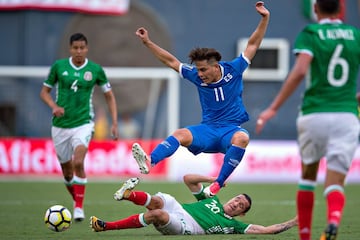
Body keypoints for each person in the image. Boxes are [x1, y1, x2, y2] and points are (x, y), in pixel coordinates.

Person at [131, 1, 270, 197]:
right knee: (180, 134)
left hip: (229, 131)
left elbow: (253, 43)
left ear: (215, 66)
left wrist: (265, 18)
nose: (200, 74)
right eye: (197, 69)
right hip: (207, 130)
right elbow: (171, 61)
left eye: (203, 69)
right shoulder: (196, 75)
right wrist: (147, 42)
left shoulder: (234, 69)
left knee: (243, 137)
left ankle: (217, 184)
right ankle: (150, 160)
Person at [255, 1, 360, 239]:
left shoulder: (311, 33)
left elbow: (301, 71)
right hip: (346, 114)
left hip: (315, 113)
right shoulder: (355, 35)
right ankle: (333, 221)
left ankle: (305, 235)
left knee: (308, 178)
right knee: (335, 182)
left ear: (315, 10)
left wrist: (273, 108)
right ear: (341, 10)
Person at [40, 33, 119, 221]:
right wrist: (54, 107)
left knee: (78, 162)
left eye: (82, 48)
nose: (79, 51)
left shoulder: (95, 70)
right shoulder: (59, 67)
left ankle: (78, 208)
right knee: (67, 173)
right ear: (70, 49)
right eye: (75, 48)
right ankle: (77, 200)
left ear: (87, 48)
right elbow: (44, 92)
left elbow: (109, 95)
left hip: (84, 123)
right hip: (60, 126)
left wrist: (114, 122)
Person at [90, 174, 298, 235]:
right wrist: (215, 180)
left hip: (185, 226)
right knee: (161, 200)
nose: (237, 204)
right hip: (179, 209)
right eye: (237, 199)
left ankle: (105, 226)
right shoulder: (211, 199)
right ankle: (127, 194)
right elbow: (188, 178)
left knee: (159, 214)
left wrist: (296, 221)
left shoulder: (236, 226)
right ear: (231, 198)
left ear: (242, 214)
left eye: (241, 206)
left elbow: (268, 230)